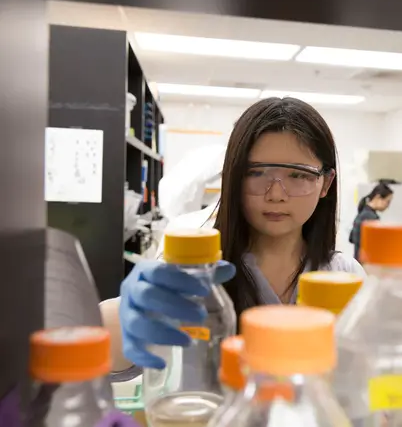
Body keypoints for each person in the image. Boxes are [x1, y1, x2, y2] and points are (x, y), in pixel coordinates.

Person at [101, 97, 365, 371]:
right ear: (232, 177)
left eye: (298, 176)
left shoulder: (346, 275)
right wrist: (123, 316)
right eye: (256, 173)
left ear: (326, 184)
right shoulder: (197, 273)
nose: (275, 194)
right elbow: (104, 346)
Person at [349, 182, 393, 261]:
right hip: (365, 264)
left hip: (358, 262)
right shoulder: (370, 217)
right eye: (388, 201)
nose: (388, 206)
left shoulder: (363, 212)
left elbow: (351, 238)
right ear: (378, 197)